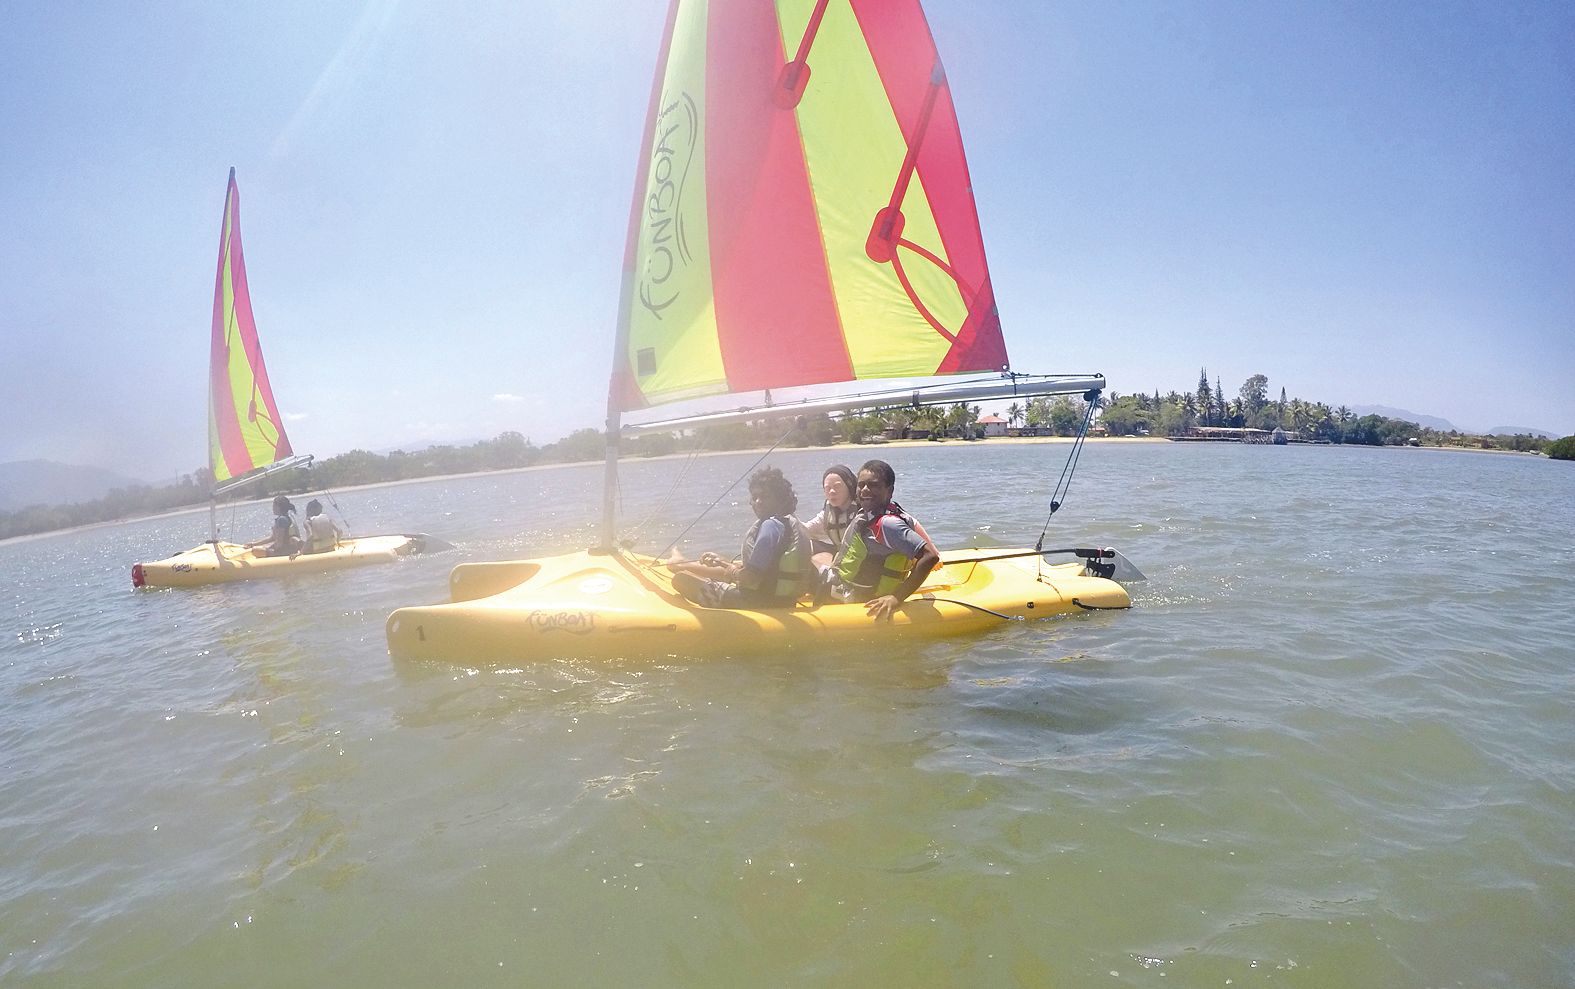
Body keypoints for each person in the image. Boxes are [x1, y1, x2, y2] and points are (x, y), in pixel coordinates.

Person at [669, 466, 814, 609]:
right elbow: (764, 571)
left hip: (756, 603)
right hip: (785, 602)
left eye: (765, 496)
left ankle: (680, 564)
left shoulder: (770, 526)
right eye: (754, 497)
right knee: (707, 577)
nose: (758, 502)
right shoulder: (790, 524)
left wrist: (729, 569)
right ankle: (681, 563)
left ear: (780, 499)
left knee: (681, 580)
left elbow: (751, 578)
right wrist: (722, 562)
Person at [825, 459, 941, 621]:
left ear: (889, 490)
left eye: (873, 485)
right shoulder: (870, 511)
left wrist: (896, 597)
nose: (865, 490)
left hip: (859, 599)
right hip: (843, 586)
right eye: (861, 485)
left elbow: (930, 557)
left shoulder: (887, 524)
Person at [803, 465, 858, 569]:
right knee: (806, 545)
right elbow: (805, 530)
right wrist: (787, 514)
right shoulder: (827, 513)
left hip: (860, 560)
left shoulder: (862, 511)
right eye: (827, 488)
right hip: (840, 554)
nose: (832, 491)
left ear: (849, 486)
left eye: (837, 486)